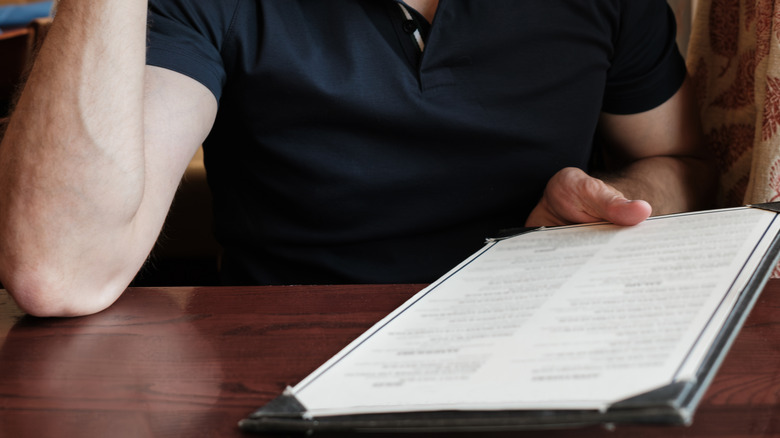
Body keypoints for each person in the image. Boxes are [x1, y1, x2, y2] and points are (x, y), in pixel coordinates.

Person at [0, 0, 716, 317]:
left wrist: (614, 200)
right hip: (285, 376)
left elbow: (681, 163)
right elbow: (59, 269)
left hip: (548, 346)